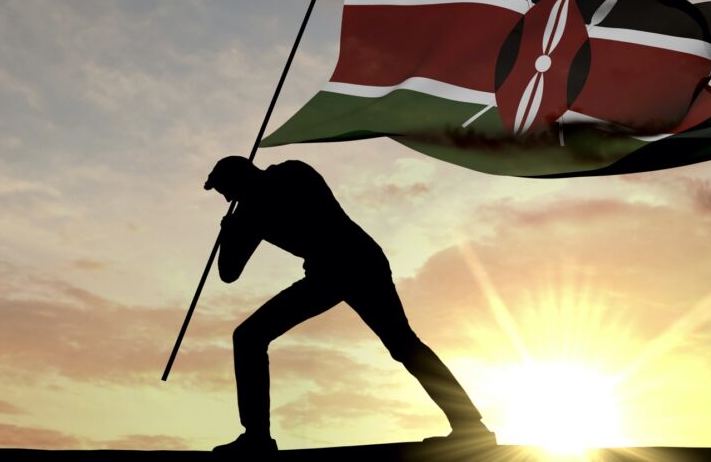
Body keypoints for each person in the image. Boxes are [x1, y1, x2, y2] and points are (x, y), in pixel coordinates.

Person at [204, 156, 495, 454]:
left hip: (358, 262)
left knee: (403, 344)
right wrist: (230, 234)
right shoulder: (249, 214)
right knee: (249, 337)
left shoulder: (291, 173)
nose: (227, 198)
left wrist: (244, 222)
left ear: (241, 177)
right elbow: (229, 273)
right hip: (326, 274)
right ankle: (256, 437)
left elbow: (312, 211)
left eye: (226, 189)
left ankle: (470, 425)